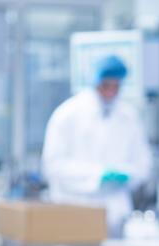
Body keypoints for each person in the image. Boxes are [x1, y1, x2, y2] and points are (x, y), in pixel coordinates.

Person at [42, 55, 152, 234]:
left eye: (116, 86)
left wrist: (127, 175)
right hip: (74, 210)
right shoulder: (67, 114)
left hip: (116, 215)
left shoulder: (129, 116)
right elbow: (53, 166)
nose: (111, 91)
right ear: (94, 82)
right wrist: (97, 175)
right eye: (105, 85)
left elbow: (143, 165)